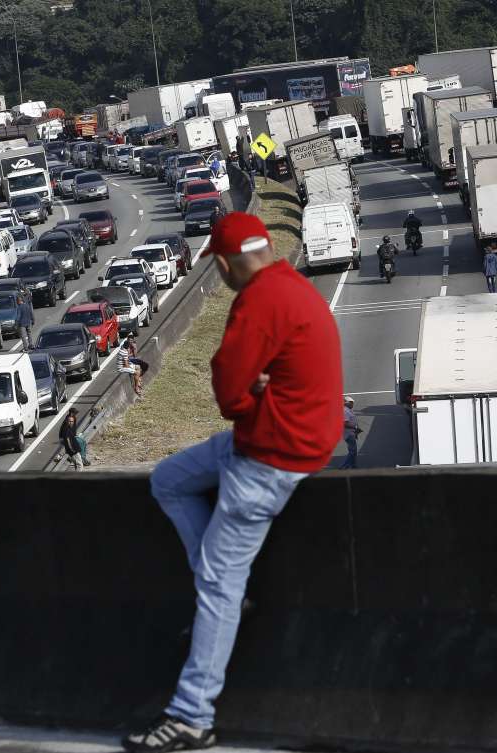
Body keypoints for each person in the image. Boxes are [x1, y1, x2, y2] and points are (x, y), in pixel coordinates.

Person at [123, 212, 343, 753]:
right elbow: (249, 381)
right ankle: (223, 589)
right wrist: (257, 387)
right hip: (283, 434)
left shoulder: (258, 301)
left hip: (270, 455)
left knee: (219, 588)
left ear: (223, 264)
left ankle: (191, 716)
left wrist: (250, 390)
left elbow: (227, 391)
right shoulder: (289, 284)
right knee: (170, 479)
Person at [340, 396, 362, 469]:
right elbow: (345, 424)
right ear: (347, 403)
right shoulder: (345, 411)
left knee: (354, 451)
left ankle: (353, 465)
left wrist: (356, 430)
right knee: (352, 451)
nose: (353, 404)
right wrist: (355, 428)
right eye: (351, 403)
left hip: (351, 433)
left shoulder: (348, 410)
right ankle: (344, 466)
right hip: (349, 434)